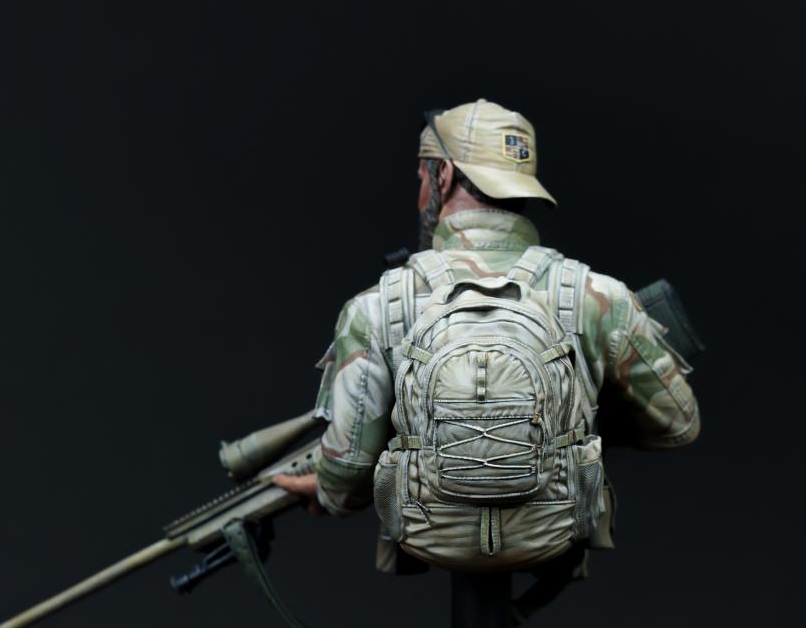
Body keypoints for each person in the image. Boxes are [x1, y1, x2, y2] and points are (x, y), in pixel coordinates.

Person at [274, 98, 700, 571]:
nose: (420, 191)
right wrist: (571, 414)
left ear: (443, 175)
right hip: (555, 534)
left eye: (422, 177)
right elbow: (677, 424)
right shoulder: (597, 296)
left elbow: (349, 473)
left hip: (425, 537)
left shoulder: (378, 306)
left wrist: (330, 488)